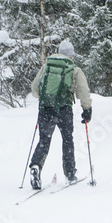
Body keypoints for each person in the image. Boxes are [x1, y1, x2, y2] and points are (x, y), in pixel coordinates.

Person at [29, 40, 92, 189]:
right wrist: (87, 108)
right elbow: (83, 90)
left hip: (45, 109)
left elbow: (34, 88)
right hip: (64, 109)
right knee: (67, 140)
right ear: (71, 55)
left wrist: (46, 98)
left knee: (44, 141)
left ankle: (36, 166)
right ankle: (70, 174)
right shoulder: (74, 69)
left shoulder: (47, 66)